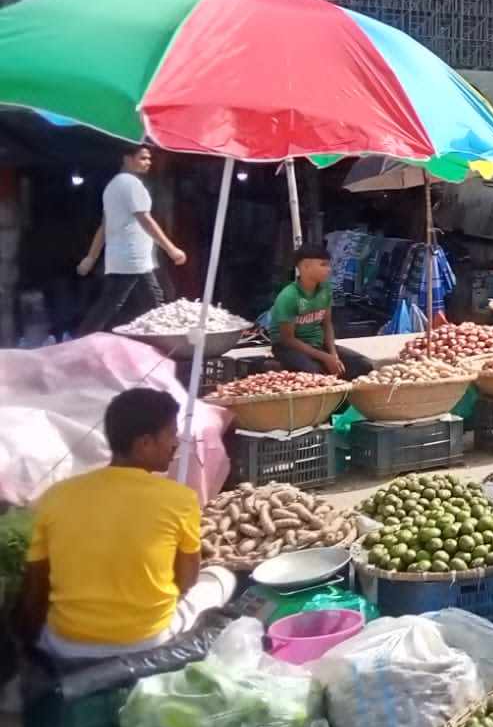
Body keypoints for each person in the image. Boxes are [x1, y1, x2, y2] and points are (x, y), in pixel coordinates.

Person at [19, 387, 237, 658]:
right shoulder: (179, 498)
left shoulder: (55, 496)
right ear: (144, 444)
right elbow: (187, 581)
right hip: (146, 641)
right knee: (220, 577)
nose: (176, 442)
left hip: (66, 644)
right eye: (171, 434)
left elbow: (36, 584)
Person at [77, 144, 187, 333]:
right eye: (143, 158)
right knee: (147, 304)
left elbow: (104, 226)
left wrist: (91, 257)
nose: (148, 162)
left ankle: (81, 338)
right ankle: (80, 339)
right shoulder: (132, 185)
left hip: (125, 257)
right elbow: (145, 220)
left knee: (122, 303)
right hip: (133, 258)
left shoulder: (113, 185)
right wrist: (171, 249)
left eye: (149, 158)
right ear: (127, 159)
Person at [269, 243, 374, 379]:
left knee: (363, 365)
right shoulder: (289, 296)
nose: (329, 270)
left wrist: (333, 354)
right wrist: (325, 357)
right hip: (289, 348)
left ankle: (343, 399)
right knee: (316, 375)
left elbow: (327, 324)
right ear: (306, 267)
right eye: (323, 265)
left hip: (318, 344)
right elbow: (288, 339)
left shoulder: (325, 290)